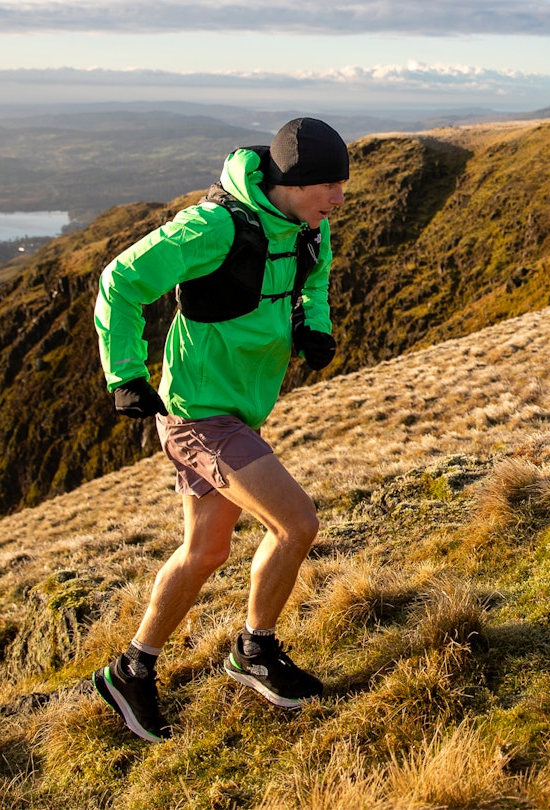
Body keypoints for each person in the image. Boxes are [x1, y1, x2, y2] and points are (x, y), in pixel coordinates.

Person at [90, 117, 348, 742]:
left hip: (241, 410)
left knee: (206, 550)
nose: (339, 199)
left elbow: (313, 280)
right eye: (329, 186)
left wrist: (314, 323)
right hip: (198, 415)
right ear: (291, 181)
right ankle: (255, 651)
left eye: (343, 185)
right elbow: (120, 282)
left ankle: (132, 669)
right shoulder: (215, 228)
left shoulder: (310, 230)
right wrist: (123, 373)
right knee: (297, 524)